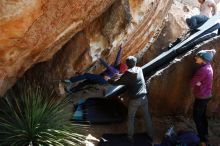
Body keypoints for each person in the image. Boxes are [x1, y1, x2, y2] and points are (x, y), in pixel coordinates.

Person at [108, 56, 154, 143]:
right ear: (135, 63)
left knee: (131, 118)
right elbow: (129, 76)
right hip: (144, 97)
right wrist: (120, 75)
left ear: (127, 64)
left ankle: (130, 137)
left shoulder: (128, 74)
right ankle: (151, 135)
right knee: (147, 116)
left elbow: (116, 83)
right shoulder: (139, 69)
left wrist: (108, 80)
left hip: (135, 100)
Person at [191, 49, 216, 146]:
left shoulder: (202, 70)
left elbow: (193, 82)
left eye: (198, 57)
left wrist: (198, 83)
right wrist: (200, 83)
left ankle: (203, 141)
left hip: (201, 97)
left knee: (197, 118)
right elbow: (197, 82)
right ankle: (205, 135)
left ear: (203, 59)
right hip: (206, 96)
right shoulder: (208, 66)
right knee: (202, 116)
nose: (195, 57)